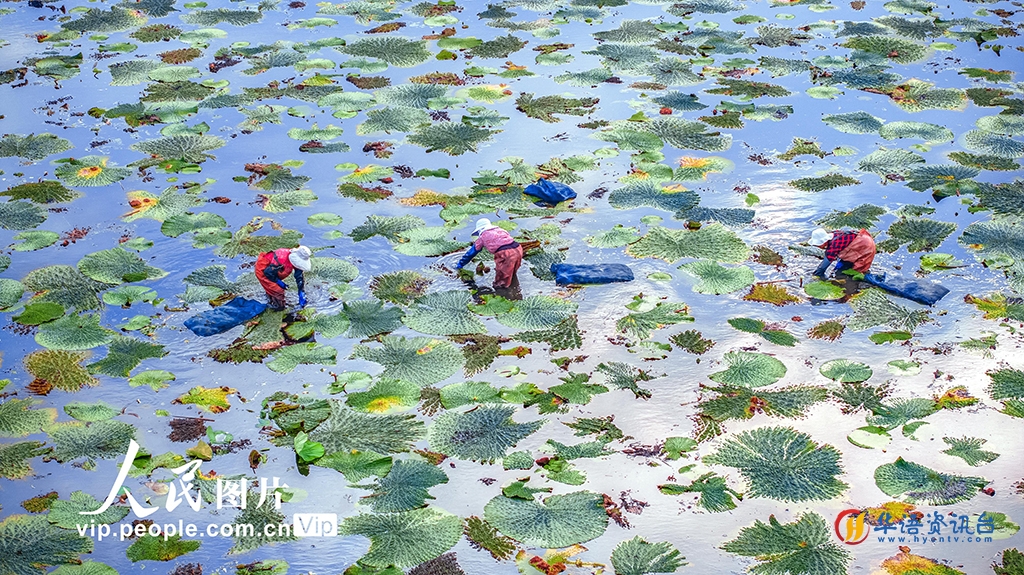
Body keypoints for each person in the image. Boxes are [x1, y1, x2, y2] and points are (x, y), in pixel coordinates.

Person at [455, 218, 523, 290]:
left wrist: (460, 264)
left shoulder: (483, 236)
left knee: (501, 279)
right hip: (518, 249)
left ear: (480, 230)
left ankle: (503, 294)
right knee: (512, 273)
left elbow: (471, 253)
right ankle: (515, 289)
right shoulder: (501, 230)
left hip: (505, 253)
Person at [255, 246, 311, 310]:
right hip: (264, 269)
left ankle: (270, 298)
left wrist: (301, 291)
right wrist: (279, 282)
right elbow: (268, 273)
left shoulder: (296, 262)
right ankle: (278, 307)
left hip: (274, 271)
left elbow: (299, 276)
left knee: (272, 289)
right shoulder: (281, 258)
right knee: (278, 290)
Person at [809, 228, 876, 278]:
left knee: (857, 270)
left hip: (866, 246)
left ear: (823, 241)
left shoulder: (834, 246)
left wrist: (817, 274)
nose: (817, 246)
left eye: (818, 244)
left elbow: (825, 264)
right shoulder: (834, 235)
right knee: (841, 268)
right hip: (863, 238)